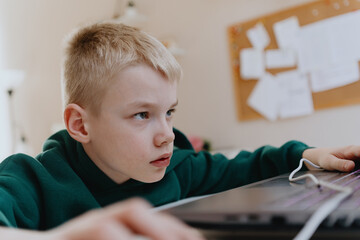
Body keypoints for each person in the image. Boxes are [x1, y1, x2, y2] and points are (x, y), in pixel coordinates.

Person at [0, 21, 359, 239]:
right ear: (80, 125)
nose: (167, 134)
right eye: (142, 115)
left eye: (169, 112)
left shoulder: (178, 166)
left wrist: (304, 154)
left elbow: (243, 166)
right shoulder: (28, 179)